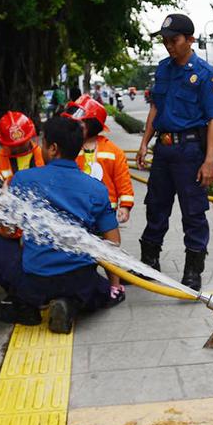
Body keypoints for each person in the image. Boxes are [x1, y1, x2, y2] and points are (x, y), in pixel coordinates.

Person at [0, 115, 124, 334]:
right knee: (99, 292)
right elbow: (113, 243)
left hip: (36, 282)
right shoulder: (97, 189)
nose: (40, 147)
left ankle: (25, 305)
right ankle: (70, 303)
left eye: (42, 143)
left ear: (53, 148)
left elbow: (6, 230)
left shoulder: (22, 180)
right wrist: (115, 285)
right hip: (80, 280)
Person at [135, 12, 213, 291]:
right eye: (165, 41)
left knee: (193, 213)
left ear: (190, 40)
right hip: (163, 150)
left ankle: (193, 271)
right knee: (155, 206)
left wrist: (209, 160)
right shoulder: (162, 69)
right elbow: (155, 108)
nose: (169, 46)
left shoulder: (206, 75)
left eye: (174, 40)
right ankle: (149, 262)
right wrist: (144, 142)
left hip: (190, 152)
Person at [64, 94, 134, 299]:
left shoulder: (112, 151)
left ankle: (115, 284)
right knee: (82, 248)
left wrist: (125, 205)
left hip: (106, 211)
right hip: (79, 210)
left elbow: (123, 180)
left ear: (93, 125)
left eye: (81, 124)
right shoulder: (71, 148)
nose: (76, 128)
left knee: (110, 248)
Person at [0, 111, 45, 181]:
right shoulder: (1, 158)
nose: (18, 148)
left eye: (21, 144)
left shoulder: (41, 155)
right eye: (14, 146)